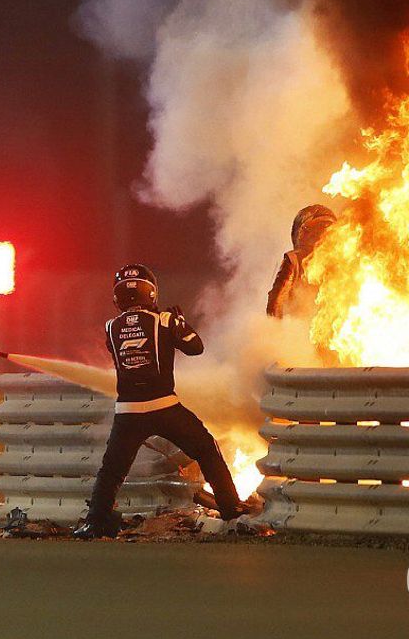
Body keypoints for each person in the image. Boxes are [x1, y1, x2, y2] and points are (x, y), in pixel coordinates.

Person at [74, 263, 243, 539]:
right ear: (150, 292)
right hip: (164, 406)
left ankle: (95, 521)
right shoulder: (165, 320)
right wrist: (180, 322)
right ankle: (231, 508)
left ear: (118, 297)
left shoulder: (110, 327)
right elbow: (196, 348)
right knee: (206, 448)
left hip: (127, 412)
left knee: (112, 470)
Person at [266, 204, 337, 319]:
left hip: (333, 328)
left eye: (326, 229)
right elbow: (276, 301)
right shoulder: (294, 260)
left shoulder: (342, 262)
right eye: (319, 229)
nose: (323, 235)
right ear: (305, 233)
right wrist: (277, 331)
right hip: (300, 328)